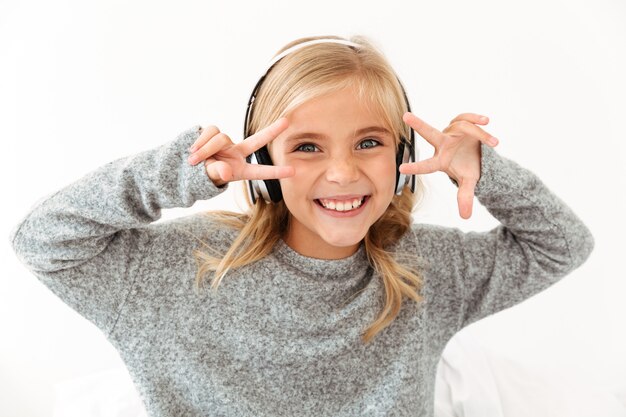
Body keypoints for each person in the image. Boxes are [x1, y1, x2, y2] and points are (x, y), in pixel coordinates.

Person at [9, 34, 594, 416]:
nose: (342, 173)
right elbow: (43, 241)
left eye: (369, 142)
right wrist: (179, 174)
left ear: (402, 155)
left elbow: (562, 247)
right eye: (308, 147)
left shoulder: (426, 272)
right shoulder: (180, 269)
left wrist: (484, 171)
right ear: (263, 163)